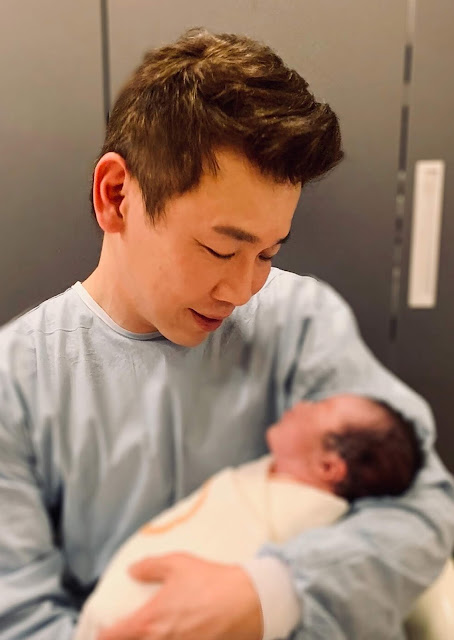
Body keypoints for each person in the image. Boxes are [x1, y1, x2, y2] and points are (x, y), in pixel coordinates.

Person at [0, 27, 453, 640]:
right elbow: (19, 616)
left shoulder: (299, 322)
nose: (243, 292)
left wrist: (270, 594)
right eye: (220, 249)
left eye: (266, 254)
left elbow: (424, 509)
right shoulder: (16, 384)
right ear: (116, 197)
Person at [74, 394, 424, 640]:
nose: (302, 403)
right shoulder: (267, 475)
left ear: (329, 466)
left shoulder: (299, 520)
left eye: (321, 407)